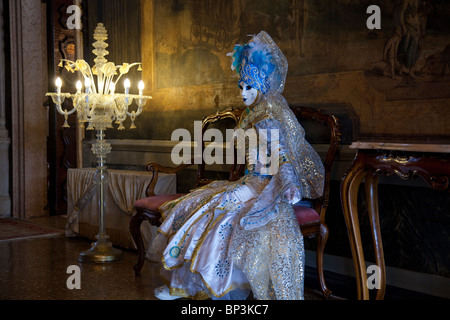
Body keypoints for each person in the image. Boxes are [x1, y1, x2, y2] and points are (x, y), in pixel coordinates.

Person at [151, 31, 324, 300]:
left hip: (266, 188)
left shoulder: (267, 116)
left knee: (222, 214)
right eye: (241, 86)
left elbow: (281, 156)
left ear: (261, 87)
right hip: (248, 182)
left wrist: (289, 184)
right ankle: (185, 284)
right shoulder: (253, 114)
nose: (243, 92)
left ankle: (209, 286)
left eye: (249, 87)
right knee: (199, 205)